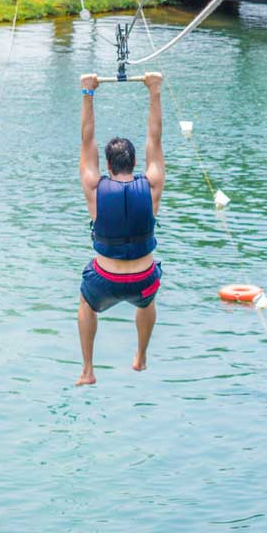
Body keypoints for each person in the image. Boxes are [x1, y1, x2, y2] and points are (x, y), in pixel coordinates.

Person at [76, 71, 165, 386]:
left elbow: (87, 139)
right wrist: (154, 90)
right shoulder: (152, 184)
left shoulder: (93, 187)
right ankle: (140, 356)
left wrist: (88, 93)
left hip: (105, 280)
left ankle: (88, 370)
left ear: (108, 166)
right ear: (135, 161)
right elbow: (155, 136)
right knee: (148, 297)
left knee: (87, 304)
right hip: (142, 279)